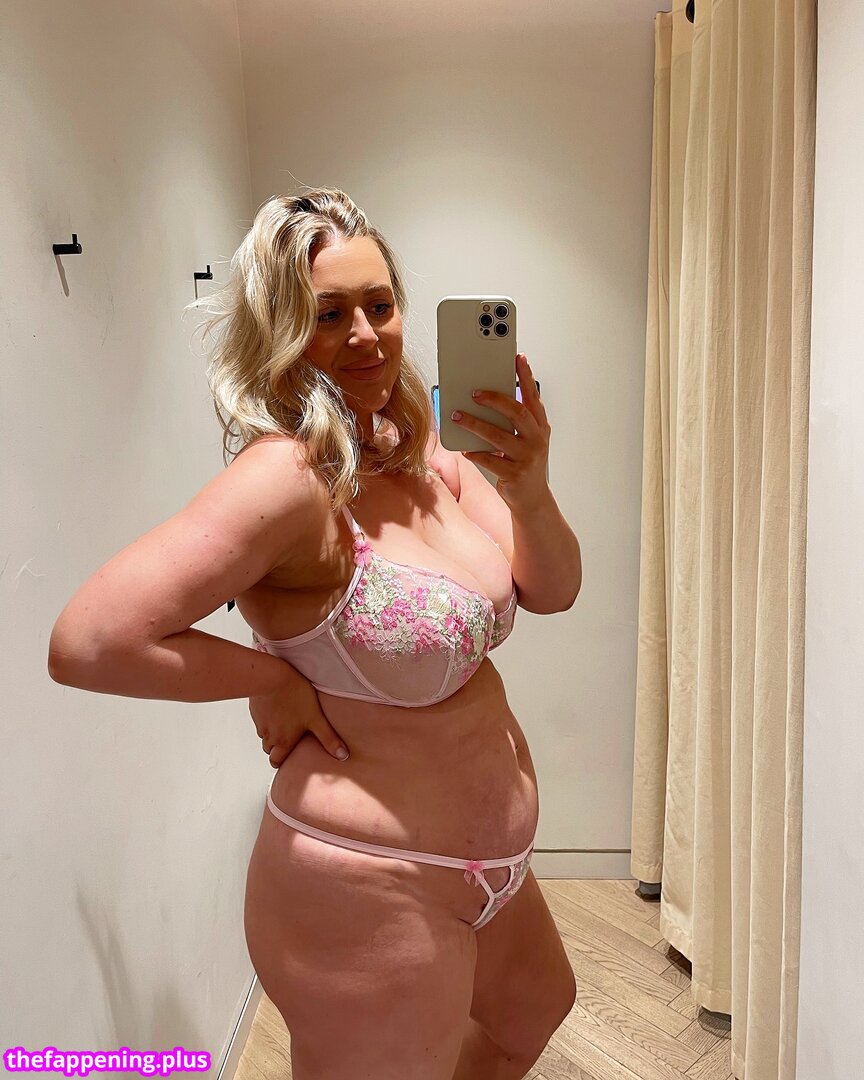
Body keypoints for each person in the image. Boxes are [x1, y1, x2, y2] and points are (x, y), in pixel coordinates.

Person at [48, 188, 583, 1080]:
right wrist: (270, 679)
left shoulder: (420, 451)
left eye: (380, 304)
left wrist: (529, 490)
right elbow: (91, 640)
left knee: (533, 1014)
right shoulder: (290, 479)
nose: (366, 334)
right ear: (282, 331)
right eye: (329, 314)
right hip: (368, 883)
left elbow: (554, 589)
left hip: (490, 870)